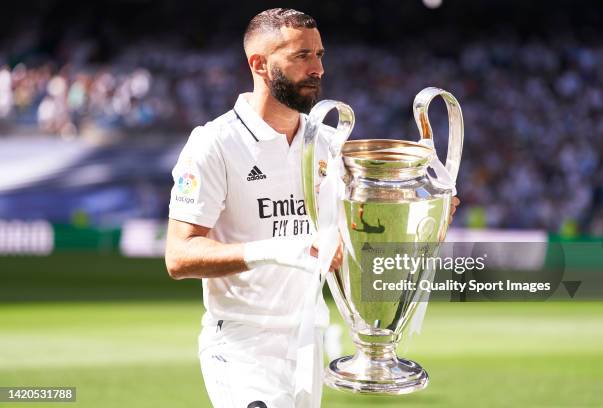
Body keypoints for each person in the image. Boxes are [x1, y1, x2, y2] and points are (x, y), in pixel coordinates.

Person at [165, 8, 459, 408]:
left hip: (309, 341)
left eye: (320, 55)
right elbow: (179, 256)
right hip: (241, 344)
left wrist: (424, 216)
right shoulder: (214, 143)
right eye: (302, 56)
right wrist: (279, 250)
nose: (318, 68)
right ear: (260, 64)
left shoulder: (329, 143)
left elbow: (354, 233)